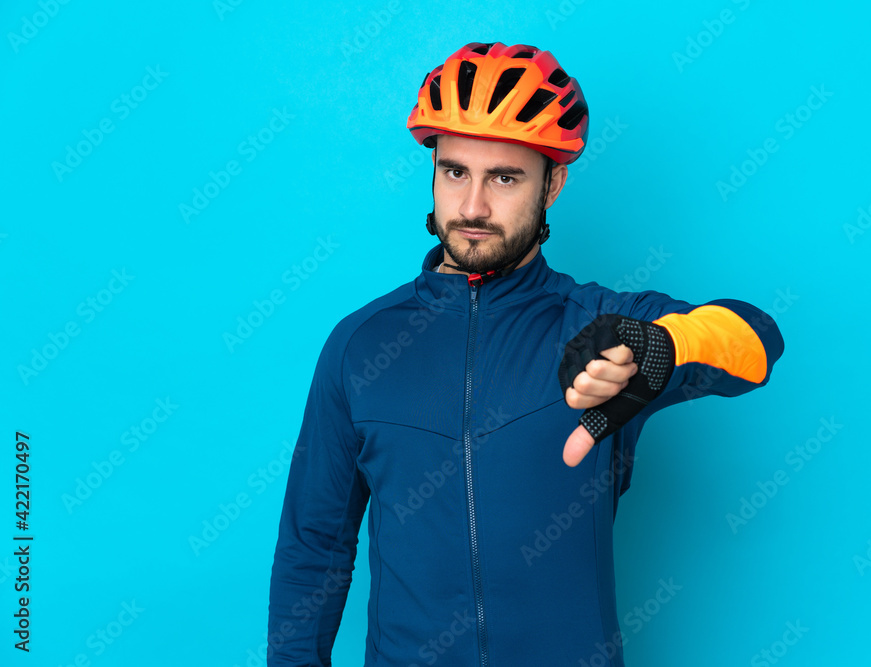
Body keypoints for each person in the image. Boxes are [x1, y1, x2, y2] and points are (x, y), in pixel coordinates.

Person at [267, 41, 784, 666]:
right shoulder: (361, 345)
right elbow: (313, 545)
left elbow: (755, 342)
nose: (474, 206)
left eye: (504, 177)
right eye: (455, 171)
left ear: (553, 184)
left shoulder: (602, 326)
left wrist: (658, 345)